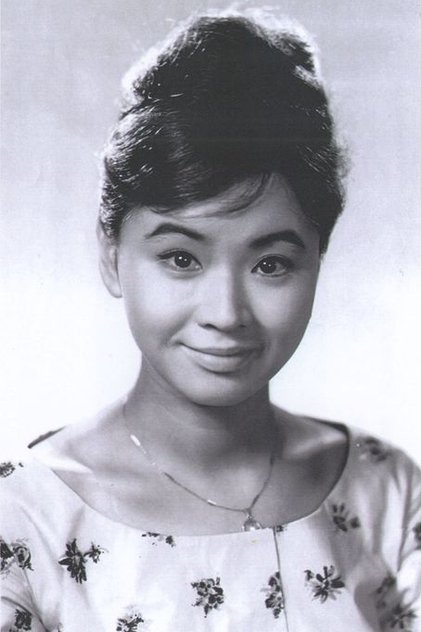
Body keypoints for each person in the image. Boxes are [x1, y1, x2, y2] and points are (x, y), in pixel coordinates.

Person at [1, 8, 420, 631]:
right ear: (112, 256)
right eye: (181, 258)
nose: (226, 314)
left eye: (271, 264)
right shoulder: (23, 518)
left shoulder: (386, 491)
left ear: (318, 260)